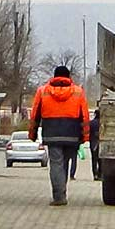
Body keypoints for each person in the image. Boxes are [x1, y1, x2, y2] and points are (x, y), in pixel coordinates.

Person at [29, 65, 89, 206]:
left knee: (56, 165)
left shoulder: (43, 91)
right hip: (72, 134)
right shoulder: (78, 92)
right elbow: (85, 116)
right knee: (65, 165)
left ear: (54, 76)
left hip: (52, 134)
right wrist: (85, 136)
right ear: (69, 77)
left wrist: (32, 134)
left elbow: (35, 114)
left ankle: (59, 196)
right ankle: (62, 192)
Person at [89, 109, 101, 181]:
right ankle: (100, 174)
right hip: (100, 142)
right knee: (101, 160)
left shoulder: (91, 123)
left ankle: (95, 174)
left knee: (94, 160)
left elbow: (88, 133)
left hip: (93, 143)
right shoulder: (102, 122)